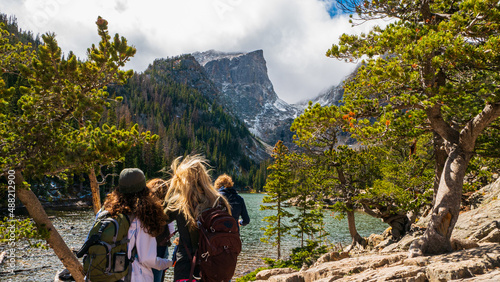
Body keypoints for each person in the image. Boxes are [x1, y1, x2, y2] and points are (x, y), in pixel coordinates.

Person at [163, 155, 231, 282]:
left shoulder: (179, 202)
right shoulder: (219, 201)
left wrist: (172, 190)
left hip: (186, 266)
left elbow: (161, 220)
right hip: (214, 266)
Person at [102, 168, 173, 281]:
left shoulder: (104, 212)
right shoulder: (142, 218)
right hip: (133, 277)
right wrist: (169, 263)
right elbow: (147, 259)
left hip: (104, 274)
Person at [147, 178, 176, 282]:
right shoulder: (167, 209)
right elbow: (172, 231)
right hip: (161, 248)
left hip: (144, 249)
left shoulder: (145, 208)